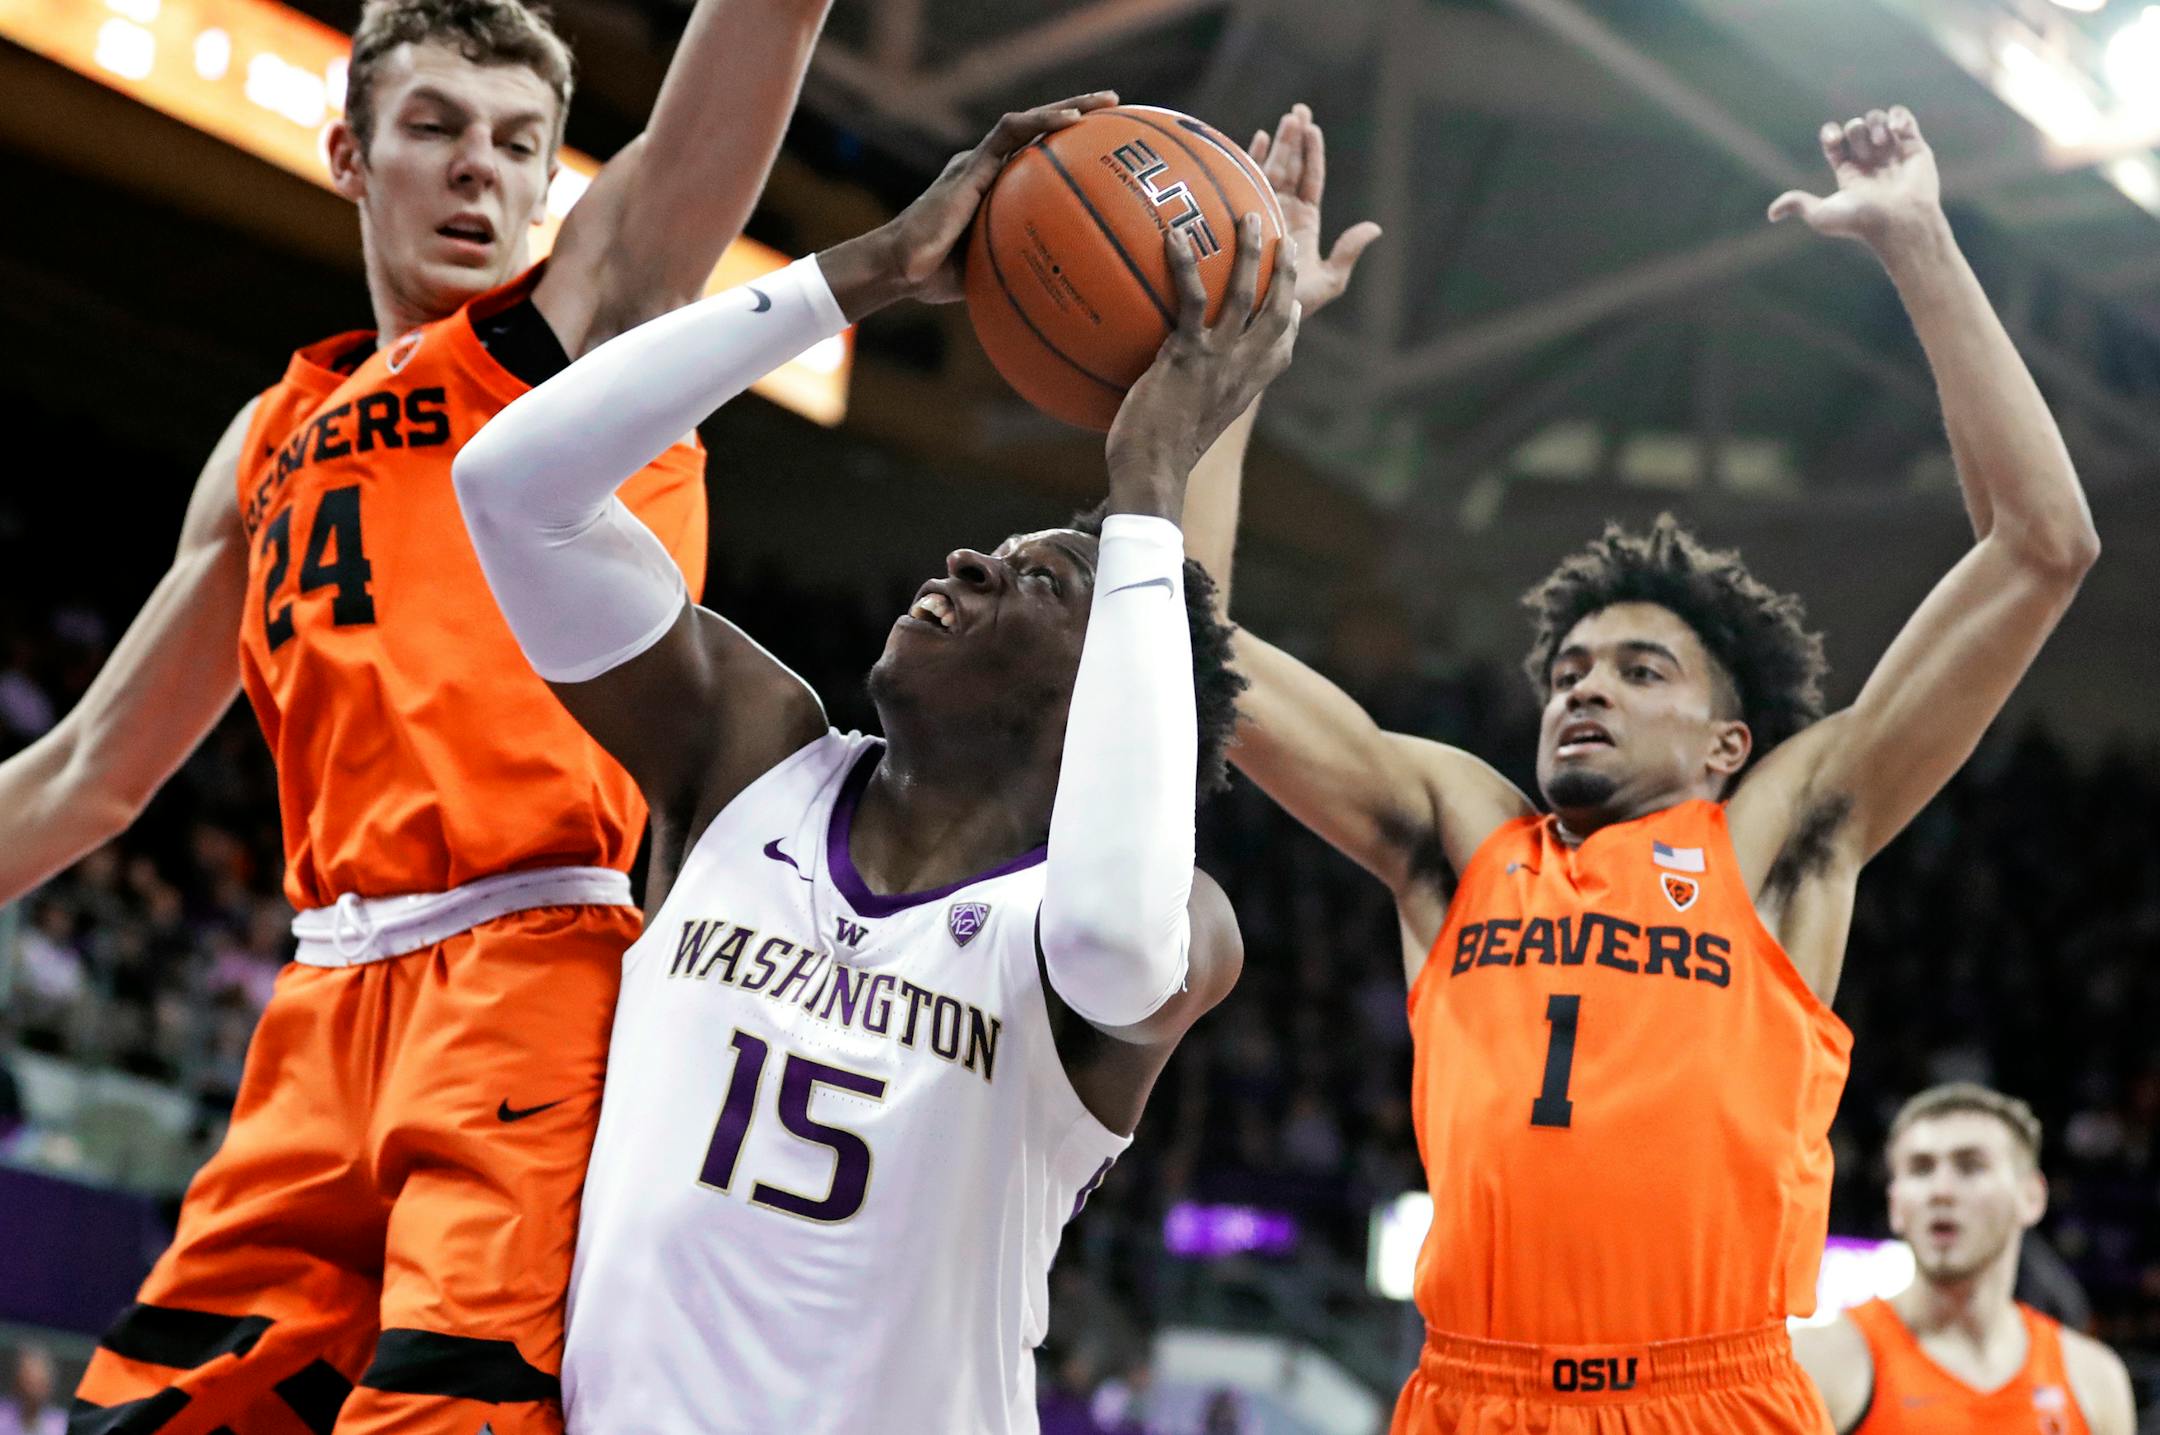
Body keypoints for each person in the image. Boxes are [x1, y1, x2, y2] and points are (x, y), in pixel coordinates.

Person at [1183, 104, 2099, 1435]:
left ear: (1731, 744)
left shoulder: (1778, 837)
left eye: (1638, 669)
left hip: (1710, 1392)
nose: (1586, 686)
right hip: (1468, 1392)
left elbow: (2043, 547)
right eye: (1568, 671)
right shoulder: (1460, 827)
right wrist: (1246, 346)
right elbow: (1187, 641)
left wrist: (1920, 247)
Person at [0, 0, 837, 1427]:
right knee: (146, 1409)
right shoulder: (272, 432)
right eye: (437, 129)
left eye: (520, 145)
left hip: (537, 970)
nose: (480, 172)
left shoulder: (587, 341)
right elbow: (90, 768)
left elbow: (738, 72)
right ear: (350, 154)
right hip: (326, 994)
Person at [449, 94, 1299, 1433]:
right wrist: (872, 270)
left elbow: (1109, 933)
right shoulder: (748, 750)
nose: (966, 559)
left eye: (1038, 578)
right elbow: (511, 488)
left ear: (1105, 685)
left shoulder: (1150, 927)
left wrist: (1148, 486)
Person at [1791, 1084, 2136, 1434]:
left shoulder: (2093, 1379)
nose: (1940, 1190)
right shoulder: (1822, 1362)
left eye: (1970, 1167)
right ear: (1895, 1205)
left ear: (2031, 1196)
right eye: (1921, 1169)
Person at [0, 1345, 65, 1435]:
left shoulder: (62, 1425)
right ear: (17, 1383)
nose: (33, 1391)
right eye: (28, 1382)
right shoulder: (2, 1418)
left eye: (40, 1383)